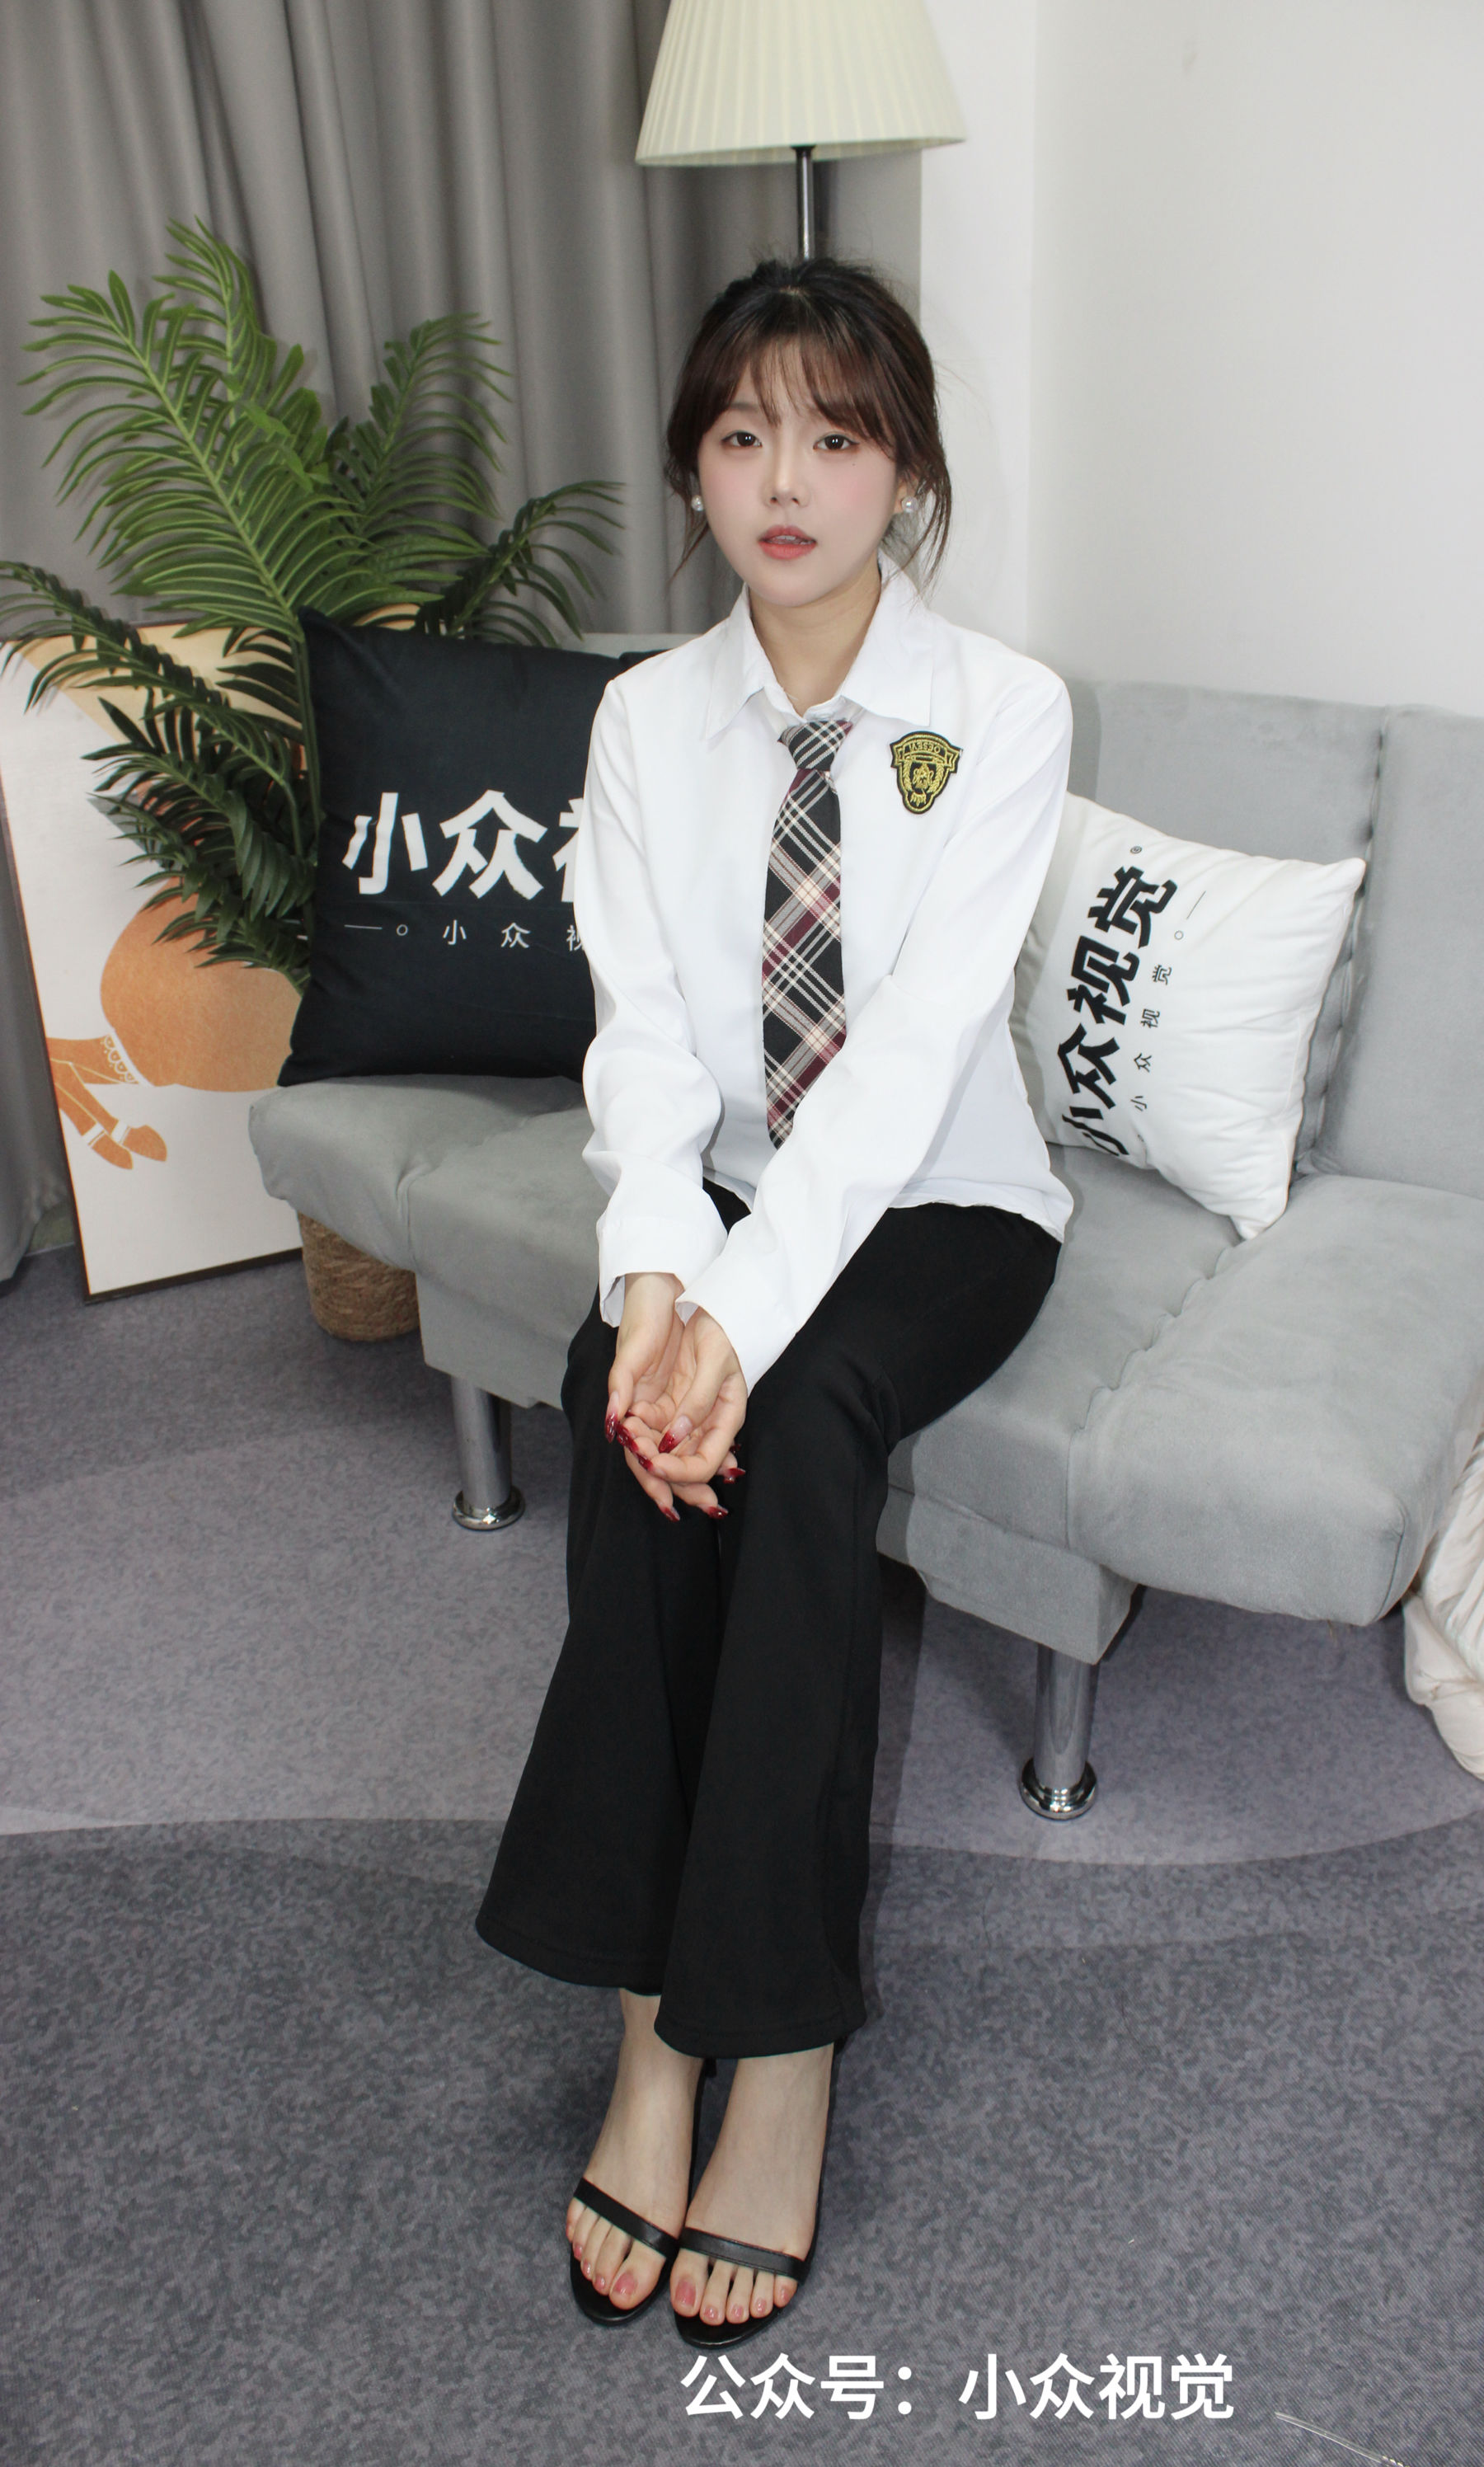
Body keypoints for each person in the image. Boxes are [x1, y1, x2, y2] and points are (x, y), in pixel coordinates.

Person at [477, 256, 1073, 2350]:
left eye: (836, 434)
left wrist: (740, 1326)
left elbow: (904, 1066)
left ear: (906, 467)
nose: (788, 481)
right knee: (615, 1391)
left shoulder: (1003, 710)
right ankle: (658, 2023)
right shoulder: (644, 719)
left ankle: (786, 2041)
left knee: (800, 1420)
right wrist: (663, 1294)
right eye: (743, 436)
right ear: (695, 472)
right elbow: (641, 1038)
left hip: (948, 1198)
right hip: (723, 1186)